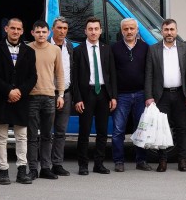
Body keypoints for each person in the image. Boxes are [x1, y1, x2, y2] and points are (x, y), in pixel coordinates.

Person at [0, 18, 37, 185]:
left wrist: (19, 91)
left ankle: (22, 170)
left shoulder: (29, 51)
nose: (15, 31)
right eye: (12, 28)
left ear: (22, 31)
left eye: (18, 29)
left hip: (21, 99)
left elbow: (33, 77)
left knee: (22, 137)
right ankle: (3, 171)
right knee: (2, 136)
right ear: (6, 29)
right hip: (2, 98)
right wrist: (8, 91)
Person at [71, 17, 117, 176]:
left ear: (100, 31)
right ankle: (83, 165)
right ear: (85, 31)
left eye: (96, 29)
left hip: (104, 94)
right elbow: (74, 78)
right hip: (86, 94)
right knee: (84, 131)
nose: (93, 32)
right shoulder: (78, 51)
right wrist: (77, 98)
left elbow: (112, 74)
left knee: (103, 131)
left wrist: (113, 96)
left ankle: (99, 163)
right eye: (90, 29)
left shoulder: (106, 49)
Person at [144, 18, 186, 172]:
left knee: (182, 128)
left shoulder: (185, 49)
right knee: (162, 129)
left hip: (180, 94)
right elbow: (149, 74)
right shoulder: (153, 49)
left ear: (176, 31)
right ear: (162, 31)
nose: (169, 33)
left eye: (172, 29)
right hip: (161, 95)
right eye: (166, 30)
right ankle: (162, 161)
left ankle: (182, 160)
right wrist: (149, 96)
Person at [26, 20, 65, 179]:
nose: (41, 34)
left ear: (48, 33)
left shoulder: (55, 50)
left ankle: (46, 168)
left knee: (47, 135)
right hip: (31, 97)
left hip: (50, 96)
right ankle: (33, 169)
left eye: (44, 32)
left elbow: (60, 74)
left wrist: (60, 94)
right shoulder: (27, 49)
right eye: (38, 32)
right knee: (32, 135)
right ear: (32, 33)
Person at [110, 18, 147, 172]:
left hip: (141, 94)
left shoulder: (145, 48)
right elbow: (111, 74)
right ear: (122, 31)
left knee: (141, 129)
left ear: (137, 30)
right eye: (126, 29)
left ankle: (141, 160)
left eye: (132, 28)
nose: (129, 31)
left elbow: (149, 72)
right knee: (118, 130)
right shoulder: (114, 48)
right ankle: (119, 161)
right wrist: (113, 95)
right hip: (122, 95)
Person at [49, 18, 73, 176]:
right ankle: (44, 164)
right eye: (59, 28)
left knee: (61, 131)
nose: (62, 31)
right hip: (48, 94)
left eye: (65, 28)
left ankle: (57, 164)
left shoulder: (69, 46)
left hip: (66, 93)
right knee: (45, 132)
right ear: (52, 28)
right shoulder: (44, 45)